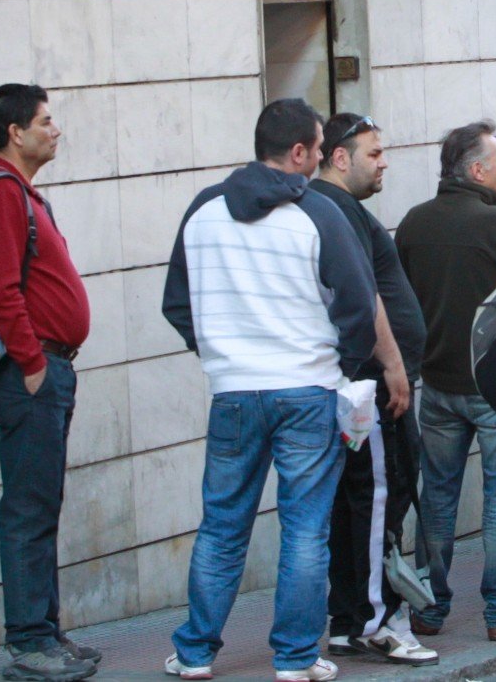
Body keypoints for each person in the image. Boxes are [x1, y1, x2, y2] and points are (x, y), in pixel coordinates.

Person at [162, 98, 379, 682]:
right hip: (308, 388)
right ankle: (295, 657)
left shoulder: (202, 211)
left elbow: (176, 304)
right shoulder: (319, 214)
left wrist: (217, 353)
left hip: (233, 391)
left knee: (221, 526)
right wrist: (342, 363)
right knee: (306, 527)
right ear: (301, 152)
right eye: (315, 147)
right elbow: (358, 305)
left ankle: (195, 653)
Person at [395, 122, 496, 642]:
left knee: (437, 497)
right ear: (477, 169)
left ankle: (427, 607)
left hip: (437, 382)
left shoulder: (414, 223)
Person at [0, 84, 98, 682]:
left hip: (48, 367)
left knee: (42, 502)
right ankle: (28, 643)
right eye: (46, 121)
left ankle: (45, 632)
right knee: (28, 506)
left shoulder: (22, 192)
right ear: (15, 132)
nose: (56, 129)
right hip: (34, 372)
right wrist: (31, 365)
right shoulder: (1, 193)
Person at [308, 114, 435, 667]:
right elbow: (363, 295)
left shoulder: (337, 209)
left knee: (356, 501)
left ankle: (348, 619)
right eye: (374, 153)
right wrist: (392, 366)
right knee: (381, 499)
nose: (384, 162)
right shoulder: (335, 209)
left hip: (364, 384)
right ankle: (378, 621)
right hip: (373, 387)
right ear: (340, 157)